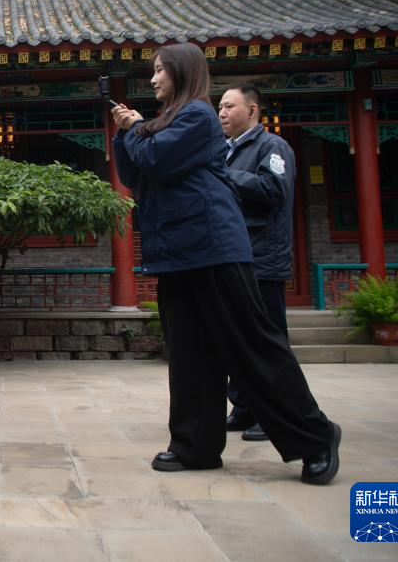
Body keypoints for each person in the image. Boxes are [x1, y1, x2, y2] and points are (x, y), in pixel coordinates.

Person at [110, 43, 341, 485]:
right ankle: (194, 446)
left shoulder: (197, 115)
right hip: (176, 253)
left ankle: (316, 436)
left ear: (182, 72)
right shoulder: (164, 123)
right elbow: (135, 174)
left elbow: (156, 159)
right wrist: (126, 133)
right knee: (190, 354)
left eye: (159, 70)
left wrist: (137, 129)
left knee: (252, 347)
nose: (153, 79)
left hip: (213, 247)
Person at [219, 85, 297, 443]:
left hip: (263, 258)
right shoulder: (227, 150)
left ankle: (278, 414)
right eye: (220, 106)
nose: (222, 113)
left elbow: (273, 190)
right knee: (239, 339)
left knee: (268, 342)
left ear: (252, 110)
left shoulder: (272, 147)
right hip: (235, 257)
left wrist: (224, 175)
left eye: (229, 106)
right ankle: (246, 407)